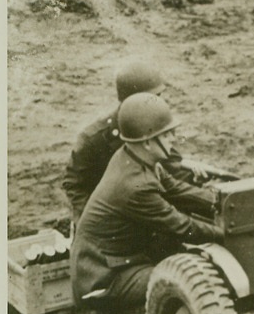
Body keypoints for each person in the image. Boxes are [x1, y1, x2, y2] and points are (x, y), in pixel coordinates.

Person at [70, 93, 223, 312]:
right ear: (149, 142)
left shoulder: (133, 156)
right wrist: (227, 232)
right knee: (187, 280)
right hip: (103, 278)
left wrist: (225, 201)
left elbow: (177, 190)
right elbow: (182, 225)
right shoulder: (134, 186)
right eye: (167, 134)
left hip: (119, 259)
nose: (174, 137)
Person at [63, 60, 186, 223]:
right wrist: (94, 220)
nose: (159, 104)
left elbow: (173, 169)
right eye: (152, 99)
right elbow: (75, 184)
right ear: (131, 100)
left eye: (158, 97)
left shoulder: (155, 127)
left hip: (144, 208)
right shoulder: (94, 139)